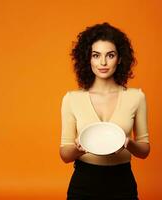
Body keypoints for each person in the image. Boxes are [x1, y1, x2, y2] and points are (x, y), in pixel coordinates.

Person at [59, 22, 150, 200]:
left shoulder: (136, 97)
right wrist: (79, 149)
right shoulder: (71, 99)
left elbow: (144, 150)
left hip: (122, 182)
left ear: (120, 58)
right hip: (84, 183)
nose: (103, 62)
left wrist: (128, 143)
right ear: (88, 59)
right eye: (96, 55)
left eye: (110, 55)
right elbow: (65, 154)